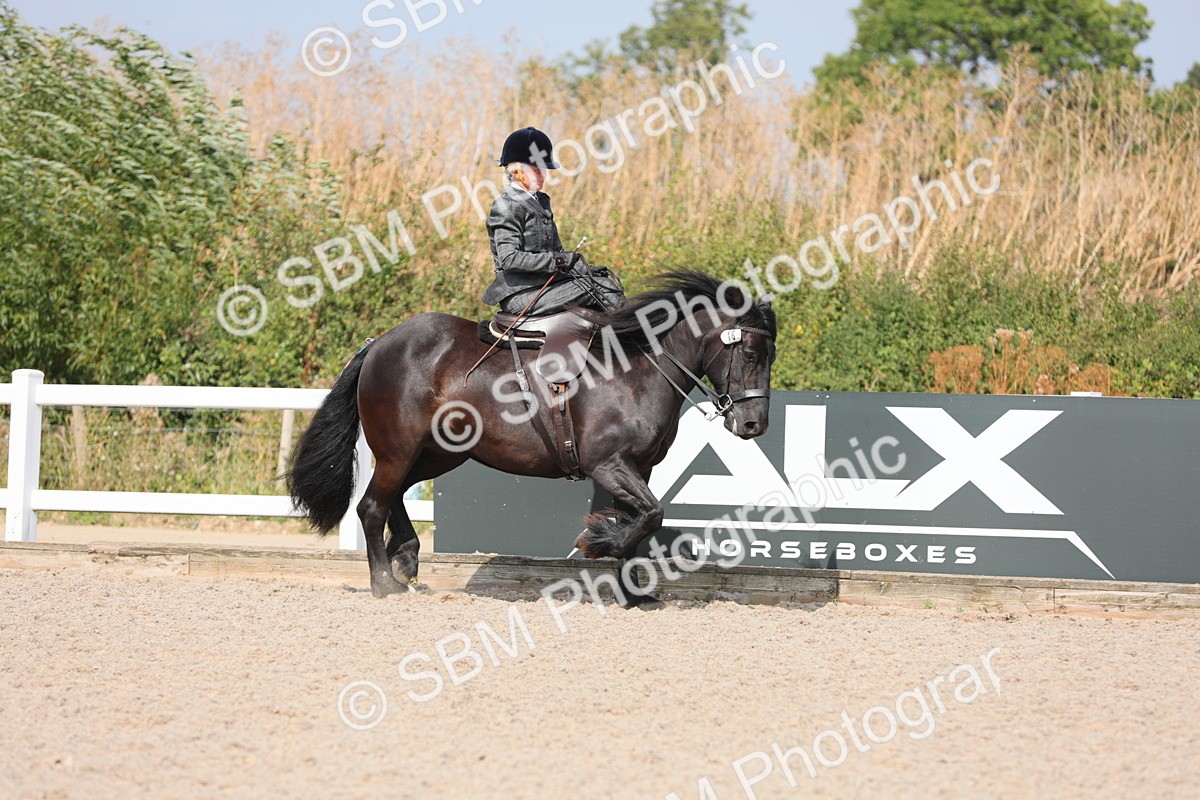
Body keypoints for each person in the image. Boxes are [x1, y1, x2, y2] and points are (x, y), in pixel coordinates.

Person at [481, 127, 624, 316]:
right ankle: (641, 341)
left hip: (545, 285)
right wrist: (558, 260)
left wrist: (585, 268)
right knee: (604, 288)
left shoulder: (541, 201)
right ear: (516, 172)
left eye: (543, 170)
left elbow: (557, 252)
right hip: (520, 292)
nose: (542, 176)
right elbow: (509, 259)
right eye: (535, 170)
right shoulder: (506, 205)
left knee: (602, 281)